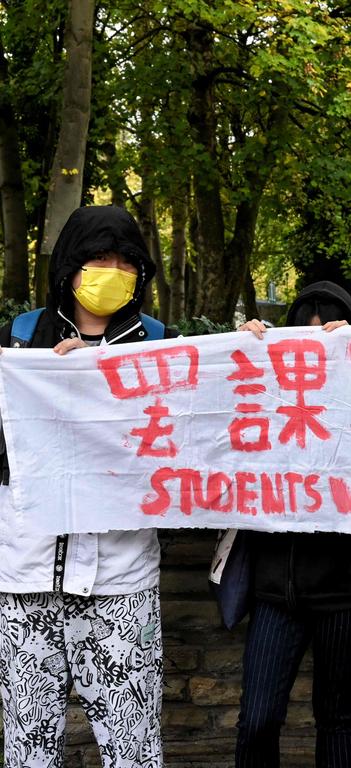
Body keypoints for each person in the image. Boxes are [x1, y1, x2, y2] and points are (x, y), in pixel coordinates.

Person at [0, 205, 177, 767]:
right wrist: (48, 390)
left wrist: (269, 348)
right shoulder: (19, 337)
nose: (113, 270)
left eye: (126, 260)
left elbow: (197, 436)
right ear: (71, 266)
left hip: (120, 579)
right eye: (100, 258)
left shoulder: (161, 344)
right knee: (29, 749)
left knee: (134, 749)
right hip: (24, 574)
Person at [235, 281, 351, 768]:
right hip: (276, 587)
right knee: (257, 719)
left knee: (336, 716)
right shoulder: (269, 383)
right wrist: (241, 351)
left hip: (348, 587)